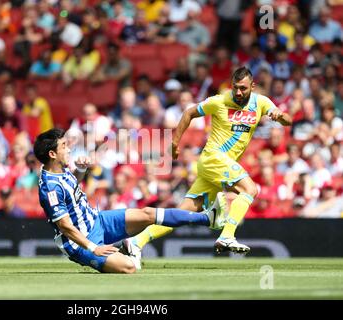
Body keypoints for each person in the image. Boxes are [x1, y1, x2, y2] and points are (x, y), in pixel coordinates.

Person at [127, 67, 293, 257]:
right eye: (235, 88)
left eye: (243, 89)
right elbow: (189, 113)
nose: (238, 93)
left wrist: (279, 116)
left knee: (182, 214)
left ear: (252, 87)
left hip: (216, 168)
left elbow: (287, 121)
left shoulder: (262, 103)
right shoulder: (220, 101)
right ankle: (228, 234)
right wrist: (174, 143)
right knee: (250, 189)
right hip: (213, 157)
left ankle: (135, 242)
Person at [34, 128, 226, 274]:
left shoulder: (61, 168)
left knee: (148, 213)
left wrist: (82, 171)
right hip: (81, 243)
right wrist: (94, 248)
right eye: (64, 146)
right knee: (129, 268)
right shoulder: (49, 187)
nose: (69, 149)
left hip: (98, 220)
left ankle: (208, 218)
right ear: (52, 154)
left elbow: (72, 186)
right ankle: (126, 250)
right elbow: (65, 226)